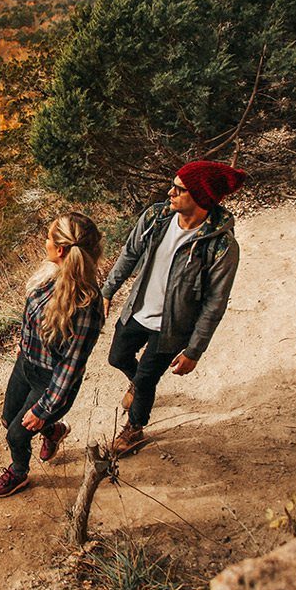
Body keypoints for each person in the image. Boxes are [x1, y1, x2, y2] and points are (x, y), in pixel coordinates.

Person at [102, 161, 247, 458]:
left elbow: (215, 303)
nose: (170, 192)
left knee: (146, 379)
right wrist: (107, 292)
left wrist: (194, 350)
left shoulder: (220, 246)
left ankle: (135, 428)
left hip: (172, 327)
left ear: (200, 196)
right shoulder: (156, 218)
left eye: (179, 189)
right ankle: (138, 383)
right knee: (117, 357)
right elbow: (129, 255)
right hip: (138, 310)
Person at [0, 212, 105, 498]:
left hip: (49, 381)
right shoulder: (47, 276)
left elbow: (70, 367)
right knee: (8, 418)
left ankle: (18, 473)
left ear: (61, 249)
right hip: (26, 364)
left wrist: (43, 411)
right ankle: (53, 432)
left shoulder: (85, 305)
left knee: (16, 433)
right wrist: (23, 342)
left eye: (49, 237)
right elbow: (32, 317)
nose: (45, 241)